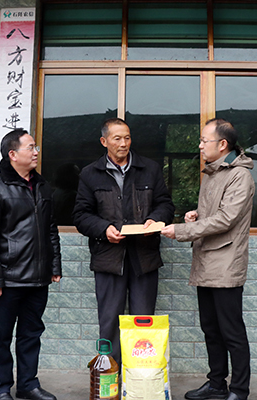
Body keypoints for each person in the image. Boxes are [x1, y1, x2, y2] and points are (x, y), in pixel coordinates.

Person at [162, 118, 254, 400]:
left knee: (231, 332)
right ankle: (216, 384)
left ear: (222, 144)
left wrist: (181, 230)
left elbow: (226, 219)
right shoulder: (213, 173)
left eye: (204, 141)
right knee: (211, 329)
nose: (200, 146)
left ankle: (239, 390)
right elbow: (215, 214)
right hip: (206, 262)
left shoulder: (240, 175)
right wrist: (197, 214)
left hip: (225, 265)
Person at [72, 117, 174, 363]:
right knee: (109, 321)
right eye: (117, 138)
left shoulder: (149, 169)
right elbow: (81, 215)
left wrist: (154, 220)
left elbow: (165, 205)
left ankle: (139, 375)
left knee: (143, 319)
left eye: (127, 138)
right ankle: (112, 375)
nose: (123, 143)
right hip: (108, 258)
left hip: (144, 257)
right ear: (104, 141)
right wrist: (104, 228)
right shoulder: (90, 174)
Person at [0, 129, 61, 400]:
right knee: (1, 337)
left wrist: (54, 266)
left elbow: (50, 228)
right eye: (30, 147)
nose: (36, 152)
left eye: (36, 147)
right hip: (8, 278)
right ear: (12, 154)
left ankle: (28, 385)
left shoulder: (42, 186)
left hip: (38, 277)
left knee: (31, 334)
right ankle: (0, 388)